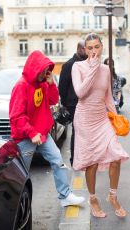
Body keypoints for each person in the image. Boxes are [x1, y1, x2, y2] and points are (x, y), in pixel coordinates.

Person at [9, 50, 85, 207]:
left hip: (43, 134)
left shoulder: (43, 83)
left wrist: (51, 84)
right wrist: (31, 132)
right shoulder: (21, 86)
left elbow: (53, 100)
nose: (45, 74)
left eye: (47, 71)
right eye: (43, 71)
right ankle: (15, 207)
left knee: (58, 161)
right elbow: (16, 116)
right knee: (21, 174)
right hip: (25, 137)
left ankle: (65, 196)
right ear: (35, 68)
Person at [71, 33, 129, 218]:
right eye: (90, 48)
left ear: (102, 46)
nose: (94, 51)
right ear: (84, 49)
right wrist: (93, 68)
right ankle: (93, 198)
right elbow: (80, 92)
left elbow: (108, 97)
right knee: (92, 163)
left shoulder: (106, 69)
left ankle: (112, 196)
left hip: (102, 119)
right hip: (85, 119)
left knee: (116, 156)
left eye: (97, 47)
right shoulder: (77, 67)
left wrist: (116, 119)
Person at [59, 41, 88, 166]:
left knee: (86, 133)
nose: (88, 51)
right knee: (77, 133)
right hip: (73, 105)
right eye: (86, 48)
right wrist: (67, 105)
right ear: (79, 49)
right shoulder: (69, 65)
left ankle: (85, 158)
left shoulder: (88, 64)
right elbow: (62, 88)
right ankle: (75, 160)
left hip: (87, 104)